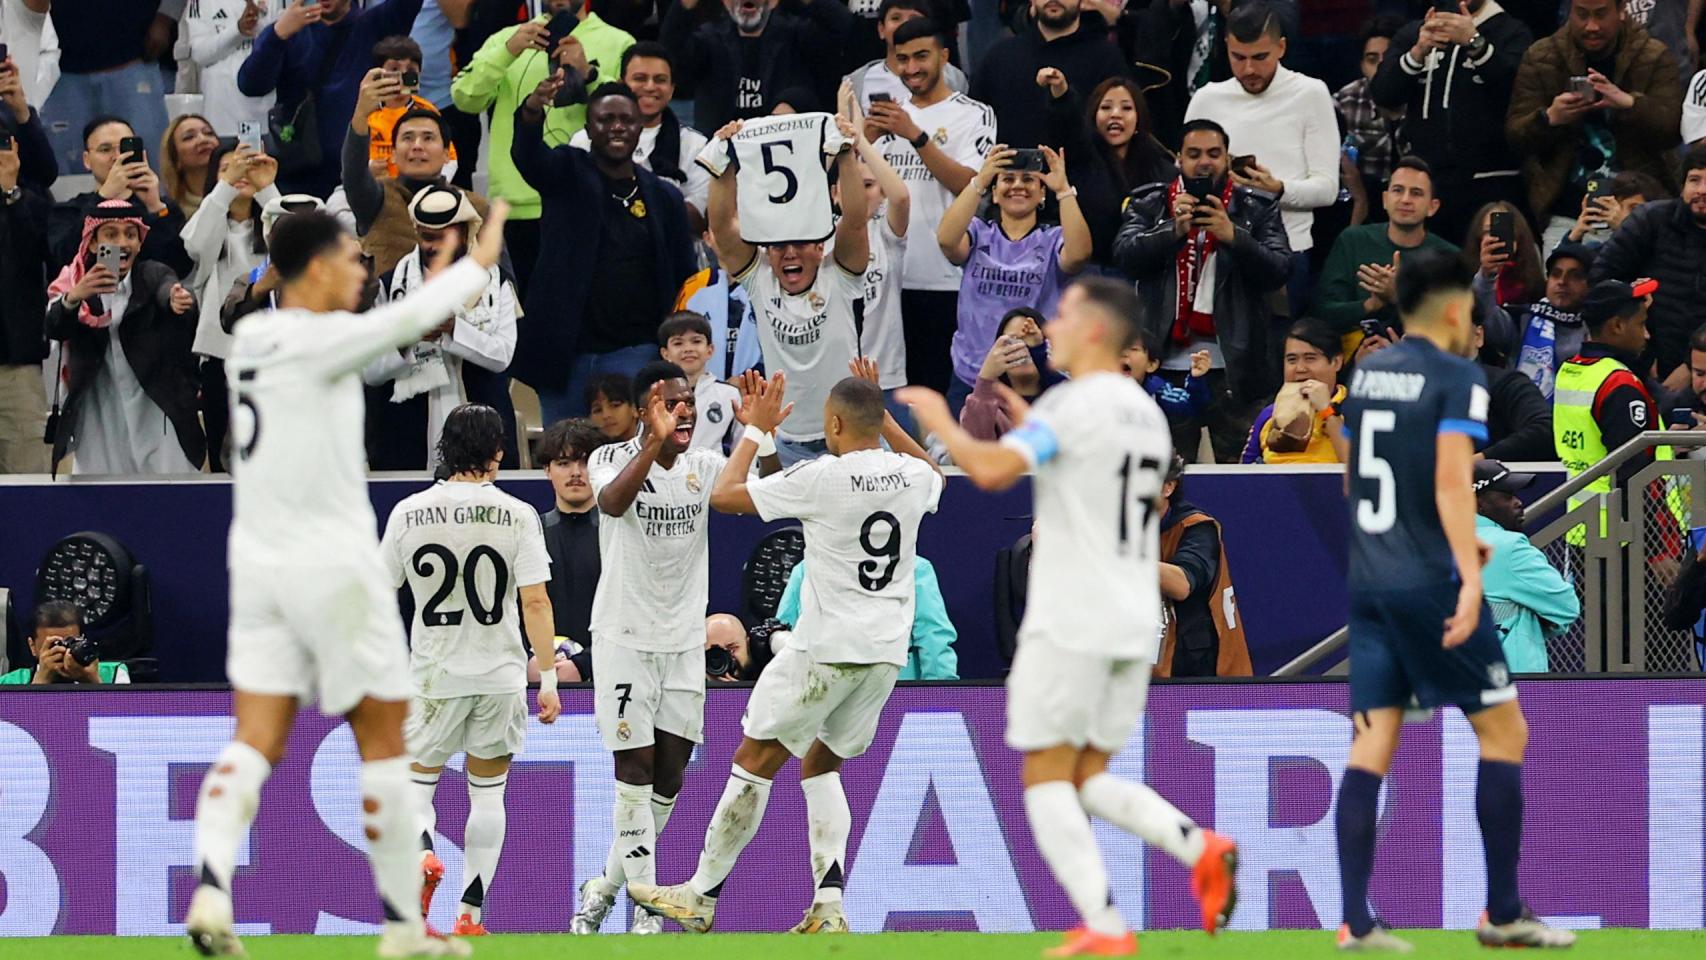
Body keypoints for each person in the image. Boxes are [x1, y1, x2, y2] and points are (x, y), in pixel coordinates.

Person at [183, 199, 511, 959]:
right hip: (330, 561)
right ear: (320, 266)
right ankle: (403, 929)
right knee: (384, 742)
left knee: (256, 739)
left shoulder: (256, 336)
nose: (363, 269)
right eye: (353, 256)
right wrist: (481, 255)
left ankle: (208, 887)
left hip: (258, 565)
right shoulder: (314, 336)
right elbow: (418, 316)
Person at [898, 277, 1238, 957]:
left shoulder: (1076, 402)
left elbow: (991, 472)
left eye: (1064, 314)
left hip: (1072, 611)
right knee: (1084, 774)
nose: (1049, 324)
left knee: (1043, 778)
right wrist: (1024, 416)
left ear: (1095, 331)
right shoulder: (1143, 413)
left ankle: (1106, 926)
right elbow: (1077, 464)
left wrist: (934, 418)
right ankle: (1200, 846)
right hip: (1131, 618)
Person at [630, 367, 944, 935]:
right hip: (883, 654)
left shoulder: (823, 475)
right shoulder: (909, 475)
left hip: (825, 647)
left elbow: (724, 496)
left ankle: (699, 896)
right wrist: (886, 419)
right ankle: (828, 908)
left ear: (833, 423)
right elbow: (933, 470)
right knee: (821, 763)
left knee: (754, 762)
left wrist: (755, 432)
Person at [1334, 248, 1574, 951]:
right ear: (1448, 307)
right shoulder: (1457, 378)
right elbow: (1449, 484)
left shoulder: (1370, 370)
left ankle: (1356, 920)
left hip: (1371, 582)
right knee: (1505, 733)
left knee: (1373, 746)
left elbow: (1350, 477)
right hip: (1429, 584)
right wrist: (1469, 578)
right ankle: (1502, 912)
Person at [568, 362, 773, 937]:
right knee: (632, 769)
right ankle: (644, 908)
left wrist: (763, 433)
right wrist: (652, 444)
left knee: (669, 778)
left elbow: (771, 488)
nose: (683, 408)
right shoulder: (610, 457)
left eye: (687, 400)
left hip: (683, 643)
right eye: (668, 402)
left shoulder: (705, 467)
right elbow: (609, 505)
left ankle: (605, 885)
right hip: (624, 637)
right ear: (643, 412)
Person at [378, 403, 560, 938]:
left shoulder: (409, 512)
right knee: (488, 794)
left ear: (444, 449)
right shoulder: (519, 513)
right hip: (499, 675)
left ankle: (421, 854)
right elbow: (536, 603)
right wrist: (547, 678)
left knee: (414, 789)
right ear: (498, 452)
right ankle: (470, 915)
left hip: (433, 675)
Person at [511, 74, 696, 424]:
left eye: (626, 120)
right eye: (606, 119)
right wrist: (533, 110)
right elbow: (528, 156)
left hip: (637, 353)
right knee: (566, 457)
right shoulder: (566, 171)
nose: (617, 127)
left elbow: (685, 277)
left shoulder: (664, 197)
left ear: (640, 128)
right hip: (566, 355)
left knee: (632, 459)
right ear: (588, 127)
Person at [1113, 117, 1291, 464]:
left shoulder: (1256, 206)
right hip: (1162, 368)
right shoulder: (1150, 203)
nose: (1204, 161)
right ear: (1179, 158)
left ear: (1227, 158)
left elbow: (1280, 269)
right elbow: (1124, 256)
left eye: (1214, 153)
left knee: (1243, 478)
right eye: (1194, 154)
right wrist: (1171, 230)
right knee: (1163, 476)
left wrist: (1234, 236)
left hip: (1236, 368)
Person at [702, 114, 870, 466]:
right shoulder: (760, 280)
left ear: (820, 247)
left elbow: (854, 219)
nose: (789, 253)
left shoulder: (838, 276)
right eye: (778, 246)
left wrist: (843, 152)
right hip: (788, 439)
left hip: (851, 434)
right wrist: (724, 162)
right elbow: (721, 225)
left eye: (801, 243)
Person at [452, 0, 635, 298]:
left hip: (591, 202)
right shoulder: (507, 39)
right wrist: (506, 52)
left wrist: (589, 74)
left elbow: (633, 114)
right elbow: (464, 98)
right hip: (515, 210)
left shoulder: (619, 41)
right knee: (518, 321)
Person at [1183, 1, 1339, 316]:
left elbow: (1327, 189)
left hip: (1285, 253)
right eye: (1238, 58)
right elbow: (1182, 174)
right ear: (1226, 46)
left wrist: (1277, 188)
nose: (1249, 69)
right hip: (1213, 251)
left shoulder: (1311, 93)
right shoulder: (1207, 98)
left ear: (1281, 47)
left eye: (1260, 57)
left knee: (1275, 356)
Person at [873, 17, 995, 394]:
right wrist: (861, 138)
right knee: (891, 396)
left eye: (921, 57)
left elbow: (970, 185)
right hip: (885, 283)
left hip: (943, 279)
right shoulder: (883, 119)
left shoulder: (974, 115)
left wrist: (916, 136)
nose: (911, 68)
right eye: (902, 59)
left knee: (938, 395)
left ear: (943, 56)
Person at [1506, 0, 1682, 252]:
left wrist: (1630, 104)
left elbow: (1672, 129)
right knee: (1562, 285)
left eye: (1601, 15)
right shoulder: (1541, 56)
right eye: (1582, 15)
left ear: (1622, 11)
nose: (1591, 26)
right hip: (1565, 210)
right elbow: (1515, 136)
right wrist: (1550, 118)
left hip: (1638, 209)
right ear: (1569, 11)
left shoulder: (1653, 56)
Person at [363, 186, 517, 471]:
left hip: (481, 417)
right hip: (406, 425)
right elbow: (371, 372)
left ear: (462, 232)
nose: (432, 246)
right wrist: (408, 337)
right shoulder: (389, 284)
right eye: (425, 236)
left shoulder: (496, 283)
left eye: (442, 238)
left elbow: (502, 356)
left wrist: (453, 329)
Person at [46, 198, 204, 474]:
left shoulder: (151, 273)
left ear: (140, 243)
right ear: (93, 243)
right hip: (100, 413)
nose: (122, 243)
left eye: (130, 235)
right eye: (111, 235)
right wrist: (74, 298)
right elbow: (55, 326)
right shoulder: (73, 282)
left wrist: (176, 298)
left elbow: (166, 286)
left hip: (155, 409)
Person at [937, 143, 1089, 414]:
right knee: (963, 455)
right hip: (973, 373)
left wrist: (1064, 190)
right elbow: (946, 240)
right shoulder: (979, 232)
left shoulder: (1052, 238)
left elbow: (1079, 254)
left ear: (1042, 194)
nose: (1018, 185)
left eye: (1028, 180)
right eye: (1008, 179)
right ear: (994, 194)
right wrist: (980, 181)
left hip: (1033, 376)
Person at [1369, 2, 1534, 243]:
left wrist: (1475, 43)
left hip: (1498, 186)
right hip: (1428, 187)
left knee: (1502, 261)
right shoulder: (1414, 33)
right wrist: (1418, 52)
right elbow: (1382, 93)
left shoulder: (1513, 32)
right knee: (1429, 274)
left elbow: (1521, 92)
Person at [236, 0, 428, 198]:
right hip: (296, 171)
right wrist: (277, 35)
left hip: (358, 172)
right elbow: (251, 85)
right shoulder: (289, 30)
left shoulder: (375, 24)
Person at [180, 142, 282, 473]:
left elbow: (298, 239)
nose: (240, 173)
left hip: (276, 356)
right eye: (229, 167)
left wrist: (267, 189)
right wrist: (224, 189)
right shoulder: (211, 230)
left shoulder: (270, 225)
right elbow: (194, 245)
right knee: (226, 462)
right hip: (220, 358)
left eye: (248, 165)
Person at [344, 70, 489, 277]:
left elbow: (502, 278)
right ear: (393, 153)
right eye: (408, 138)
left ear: (447, 154)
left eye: (428, 138)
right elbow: (353, 176)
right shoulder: (377, 198)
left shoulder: (476, 207)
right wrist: (360, 115)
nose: (417, 146)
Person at [1314, 156, 1461, 356]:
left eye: (1416, 193)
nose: (1405, 199)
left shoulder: (1448, 257)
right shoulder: (1353, 240)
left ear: (1432, 207)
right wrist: (1370, 305)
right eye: (1398, 190)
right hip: (1353, 358)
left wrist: (1398, 296)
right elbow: (1324, 312)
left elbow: (1452, 328)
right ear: (1385, 199)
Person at [1554, 278, 1671, 528]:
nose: (1647, 334)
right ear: (1617, 326)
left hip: (1583, 525)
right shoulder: (1619, 385)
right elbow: (1635, 475)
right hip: (1627, 536)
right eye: (1641, 324)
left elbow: (1627, 362)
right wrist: (1659, 548)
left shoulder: (1571, 371)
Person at [1589, 144, 1706, 393]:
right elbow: (1602, 281)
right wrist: (1638, 349)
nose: (1701, 190)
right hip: (1640, 363)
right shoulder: (1650, 220)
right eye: (1694, 180)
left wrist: (1691, 366)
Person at [570, 43, 710, 231]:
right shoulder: (585, 141)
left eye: (660, 80)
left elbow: (700, 219)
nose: (650, 87)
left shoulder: (696, 146)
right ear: (622, 84)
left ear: (671, 89)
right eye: (640, 78)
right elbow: (576, 208)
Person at [661, 0, 854, 132]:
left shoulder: (797, 35)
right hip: (722, 152)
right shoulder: (708, 39)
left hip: (784, 149)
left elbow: (842, 25)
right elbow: (670, 52)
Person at [1042, 72, 1176, 260]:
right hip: (1087, 271)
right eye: (1106, 107)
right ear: (1094, 117)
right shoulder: (1080, 157)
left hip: (1141, 276)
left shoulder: (1162, 170)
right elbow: (1067, 123)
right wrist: (1061, 93)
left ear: (1139, 118)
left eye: (1126, 108)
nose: (1115, 114)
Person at [968, 0, 1127, 150]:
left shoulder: (1106, 58)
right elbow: (973, 128)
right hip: (1010, 174)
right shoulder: (999, 57)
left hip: (1082, 175)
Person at [39, 0, 170, 177]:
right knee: (66, 169)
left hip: (133, 57)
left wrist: (167, 15)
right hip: (60, 66)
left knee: (147, 162)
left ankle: (154, 205)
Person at [49, 115, 192, 278]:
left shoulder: (163, 209)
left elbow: (179, 267)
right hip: (90, 300)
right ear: (87, 160)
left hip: (149, 300)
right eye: (105, 149)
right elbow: (64, 260)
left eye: (124, 149)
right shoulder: (69, 211)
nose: (117, 157)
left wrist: (155, 208)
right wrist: (103, 199)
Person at [777, 553, 959, 680]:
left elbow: (933, 640)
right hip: (821, 703)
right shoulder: (805, 570)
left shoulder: (914, 569)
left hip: (896, 699)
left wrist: (939, 698)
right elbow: (784, 640)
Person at [1473, 459, 1580, 673]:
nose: (1518, 502)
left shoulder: (1436, 543)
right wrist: (1529, 614)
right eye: (1507, 495)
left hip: (1454, 676)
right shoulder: (1510, 547)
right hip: (1513, 680)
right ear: (1478, 504)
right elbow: (1568, 607)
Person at [1157, 454, 1251, 678]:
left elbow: (1182, 584)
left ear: (1168, 487)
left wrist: (1116, 557)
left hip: (1200, 669)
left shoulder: (1197, 528)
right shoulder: (1113, 526)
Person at [536, 417, 607, 684]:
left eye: (585, 462)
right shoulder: (528, 534)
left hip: (608, 676)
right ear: (547, 469)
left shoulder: (620, 536)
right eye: (564, 463)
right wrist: (536, 660)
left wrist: (584, 663)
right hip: (538, 675)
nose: (576, 472)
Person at [0, 129, 52, 473]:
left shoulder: (28, 201)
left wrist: (9, 190)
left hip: (14, 367)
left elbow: (41, 255)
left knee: (29, 482)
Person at [1483, 241, 1592, 400]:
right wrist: (1486, 276)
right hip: (1519, 418)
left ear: (1590, 283)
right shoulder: (1521, 318)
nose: (1562, 281)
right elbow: (1484, 315)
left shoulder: (1599, 328)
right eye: (1556, 274)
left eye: (1575, 275)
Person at [1239, 319, 1346, 465]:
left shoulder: (1358, 409)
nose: (1300, 368)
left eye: (1310, 358)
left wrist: (1327, 410)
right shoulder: (1269, 414)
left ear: (1336, 362)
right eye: (1292, 360)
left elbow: (1360, 470)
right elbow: (1243, 476)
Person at [843, 0, 969, 111]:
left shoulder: (953, 77)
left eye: (914, 19)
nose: (904, 25)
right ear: (881, 29)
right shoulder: (855, 83)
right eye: (896, 18)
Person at [363, 35, 459, 181]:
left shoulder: (427, 112)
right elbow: (351, 156)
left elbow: (450, 159)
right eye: (394, 69)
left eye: (410, 70)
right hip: (373, 188)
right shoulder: (366, 111)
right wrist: (367, 168)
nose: (402, 76)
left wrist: (434, 184)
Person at [963, 307, 1066, 440]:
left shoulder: (1067, 398)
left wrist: (1039, 354)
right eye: (1012, 342)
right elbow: (974, 446)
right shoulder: (984, 405)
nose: (1021, 349)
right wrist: (985, 379)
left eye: (1030, 340)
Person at [1336, 15, 1405, 216]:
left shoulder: (1423, 98)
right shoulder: (1344, 101)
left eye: (1388, 58)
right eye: (1372, 59)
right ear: (1362, 64)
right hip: (1359, 202)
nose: (1380, 67)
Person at [185, 0, 274, 148]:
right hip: (223, 117)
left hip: (269, 114)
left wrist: (262, 25)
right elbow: (200, 53)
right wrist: (237, 30)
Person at [0, 600, 129, 684]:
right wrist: (40, 683)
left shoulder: (115, 674)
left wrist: (92, 681)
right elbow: (11, 725)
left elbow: (122, 722)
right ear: (32, 646)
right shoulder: (9, 683)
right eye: (54, 645)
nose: (63, 650)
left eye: (70, 642)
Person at [1562, 168, 1663, 246]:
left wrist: (1625, 230)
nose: (1618, 214)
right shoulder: (1597, 248)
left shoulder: (1664, 244)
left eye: (1634, 209)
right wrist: (1572, 239)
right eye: (1615, 207)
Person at [159, 113, 221, 221]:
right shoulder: (170, 214)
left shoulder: (241, 198)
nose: (203, 140)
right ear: (175, 158)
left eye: (209, 133)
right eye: (189, 137)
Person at [587, 373, 640, 444]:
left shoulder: (656, 442)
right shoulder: (595, 453)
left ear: (635, 408)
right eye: (598, 410)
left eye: (615, 405)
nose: (606, 415)